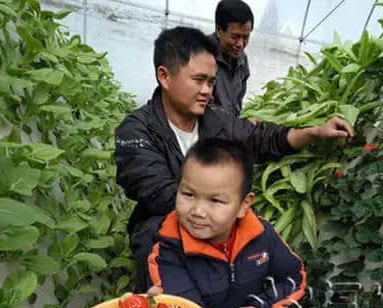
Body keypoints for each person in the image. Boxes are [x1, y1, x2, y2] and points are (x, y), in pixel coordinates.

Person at [114, 26, 352, 293]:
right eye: (199, 80)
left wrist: (314, 132)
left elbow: (260, 138)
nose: (207, 90)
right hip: (162, 231)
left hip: (212, 223)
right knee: (157, 249)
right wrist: (223, 213)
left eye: (211, 82)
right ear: (164, 76)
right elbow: (156, 190)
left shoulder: (214, 121)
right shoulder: (136, 130)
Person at [147, 138, 305, 308]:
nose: (197, 210)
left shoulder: (262, 237)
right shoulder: (168, 249)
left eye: (216, 201)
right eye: (188, 194)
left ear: (244, 204)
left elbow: (294, 276)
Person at [210, 0, 253, 116]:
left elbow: (237, 103)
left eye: (246, 37)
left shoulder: (242, 60)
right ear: (219, 30)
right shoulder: (202, 55)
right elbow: (201, 107)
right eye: (235, 36)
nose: (240, 44)